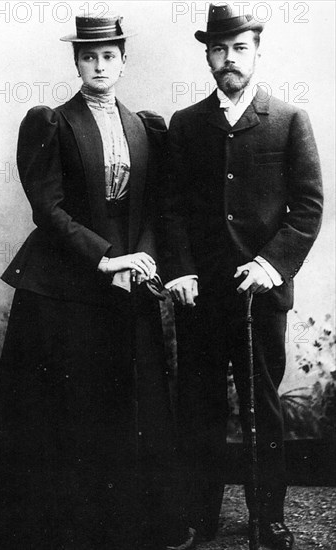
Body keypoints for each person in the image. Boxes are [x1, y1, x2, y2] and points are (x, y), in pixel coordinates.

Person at [0, 13, 194, 550]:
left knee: (131, 398)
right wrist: (104, 260)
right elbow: (46, 209)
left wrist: (138, 258)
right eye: (89, 56)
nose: (100, 65)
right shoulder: (50, 122)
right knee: (72, 405)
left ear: (123, 61)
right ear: (77, 62)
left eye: (109, 56)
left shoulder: (146, 126)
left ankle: (130, 524)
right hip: (66, 282)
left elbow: (155, 206)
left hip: (129, 280)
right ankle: (68, 526)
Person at [162, 4, 323, 550]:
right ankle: (199, 519)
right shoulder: (186, 124)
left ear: (256, 51)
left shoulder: (289, 119)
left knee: (263, 408)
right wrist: (181, 271)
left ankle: (268, 519)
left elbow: (308, 206)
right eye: (218, 49)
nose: (228, 60)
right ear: (207, 55)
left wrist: (270, 264)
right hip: (200, 296)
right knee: (199, 407)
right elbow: (173, 208)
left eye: (239, 48)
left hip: (260, 296)